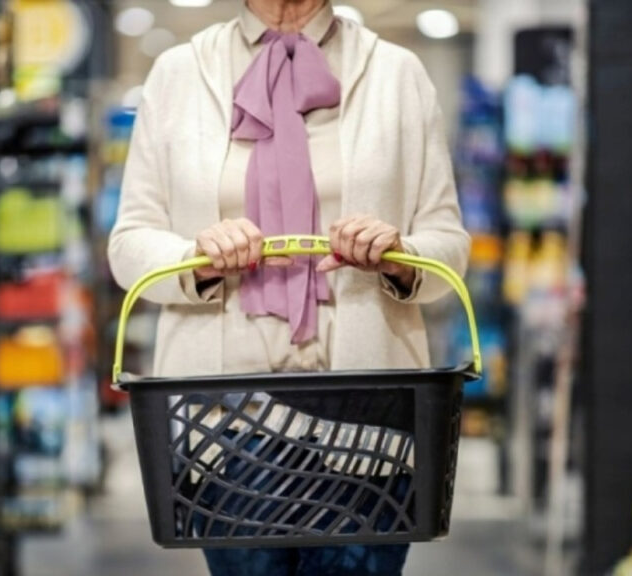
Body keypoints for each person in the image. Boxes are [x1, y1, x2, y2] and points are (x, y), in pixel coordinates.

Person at [108, 0, 470, 574]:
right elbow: (129, 244)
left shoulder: (397, 74)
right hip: (228, 424)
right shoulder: (179, 74)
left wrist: (399, 255)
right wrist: (196, 259)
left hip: (369, 421)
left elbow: (449, 240)